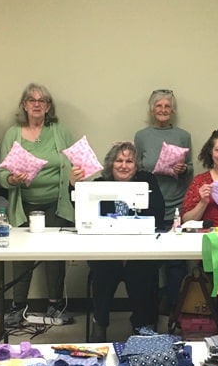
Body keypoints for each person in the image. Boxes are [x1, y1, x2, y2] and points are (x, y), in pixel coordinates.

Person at [70, 141, 166, 342]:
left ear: (136, 165)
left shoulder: (147, 181)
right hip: (107, 248)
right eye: (119, 160)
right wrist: (73, 186)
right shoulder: (99, 185)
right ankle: (100, 322)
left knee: (141, 269)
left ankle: (141, 323)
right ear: (110, 164)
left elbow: (158, 213)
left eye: (129, 161)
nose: (124, 165)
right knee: (104, 269)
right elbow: (80, 210)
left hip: (139, 248)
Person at [0, 83, 75, 326]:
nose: (37, 104)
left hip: (57, 203)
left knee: (55, 258)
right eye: (32, 99)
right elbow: (1, 174)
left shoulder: (60, 131)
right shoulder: (13, 133)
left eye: (42, 100)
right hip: (24, 205)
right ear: (24, 105)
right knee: (21, 258)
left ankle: (55, 306)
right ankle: (18, 307)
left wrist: (77, 175)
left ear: (49, 106)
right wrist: (11, 178)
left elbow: (75, 164)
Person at [134, 89, 193, 313]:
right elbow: (136, 169)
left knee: (176, 264)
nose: (163, 110)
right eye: (158, 106)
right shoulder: (141, 136)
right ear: (151, 109)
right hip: (148, 208)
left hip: (176, 206)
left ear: (173, 110)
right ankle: (148, 309)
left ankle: (174, 310)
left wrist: (183, 168)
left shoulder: (183, 135)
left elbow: (190, 169)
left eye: (167, 106)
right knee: (147, 263)